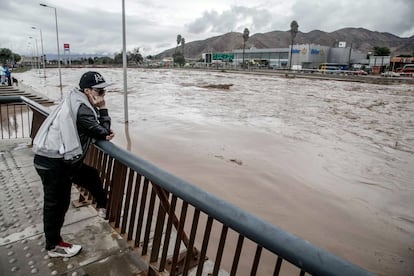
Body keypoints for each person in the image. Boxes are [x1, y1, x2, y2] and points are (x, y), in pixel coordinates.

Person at [33, 71, 114, 258]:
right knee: (56, 204)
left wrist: (101, 129)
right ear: (87, 90)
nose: (103, 95)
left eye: (104, 92)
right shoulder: (83, 108)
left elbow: (99, 131)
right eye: (100, 91)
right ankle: (53, 246)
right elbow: (104, 131)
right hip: (54, 163)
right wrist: (103, 109)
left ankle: (103, 207)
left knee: (91, 176)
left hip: (62, 160)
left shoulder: (75, 98)